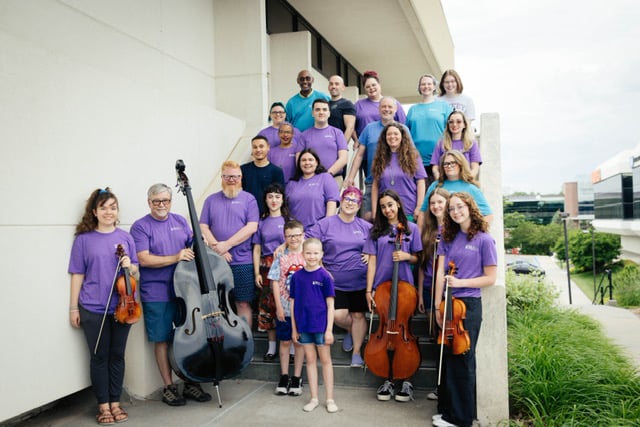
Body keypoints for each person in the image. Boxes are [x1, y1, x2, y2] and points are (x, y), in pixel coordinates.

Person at [130, 183, 213, 407]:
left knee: (189, 336)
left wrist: (200, 241)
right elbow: (143, 259)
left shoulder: (180, 221)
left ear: (170, 201)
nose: (161, 205)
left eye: (165, 200)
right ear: (149, 202)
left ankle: (190, 382)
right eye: (156, 201)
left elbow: (191, 242)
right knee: (162, 339)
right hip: (157, 291)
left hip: (185, 290)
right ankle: (168, 387)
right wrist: (175, 257)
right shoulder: (140, 227)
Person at [68, 188, 139, 425]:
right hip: (92, 308)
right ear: (94, 212)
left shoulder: (126, 237)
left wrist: (130, 265)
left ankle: (116, 402)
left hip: (124, 307)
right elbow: (77, 274)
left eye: (113, 207)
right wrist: (73, 308)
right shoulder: (83, 240)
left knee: (117, 355)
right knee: (99, 357)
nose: (109, 212)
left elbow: (136, 273)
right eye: (104, 207)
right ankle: (103, 405)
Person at [432, 192, 497, 427]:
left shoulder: (484, 239)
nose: (455, 212)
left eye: (459, 207)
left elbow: (490, 278)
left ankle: (461, 419)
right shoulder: (447, 236)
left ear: (470, 207)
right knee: (448, 359)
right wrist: (437, 306)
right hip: (448, 303)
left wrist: (460, 283)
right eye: (451, 209)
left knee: (463, 360)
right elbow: (440, 273)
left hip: (468, 305)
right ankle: (447, 412)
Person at [364, 190, 422, 402]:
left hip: (405, 288)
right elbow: (372, 262)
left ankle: (407, 379)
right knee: (385, 331)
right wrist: (369, 290)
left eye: (390, 204)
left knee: (405, 331)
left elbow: (418, 258)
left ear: (398, 204)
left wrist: (407, 256)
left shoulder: (411, 228)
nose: (387, 209)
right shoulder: (376, 231)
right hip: (382, 288)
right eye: (383, 207)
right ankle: (387, 379)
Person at [307, 187, 372, 367]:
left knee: (358, 315)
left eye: (355, 200)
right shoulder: (326, 224)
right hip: (334, 281)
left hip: (360, 281)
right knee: (337, 315)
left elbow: (379, 244)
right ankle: (352, 330)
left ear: (359, 205)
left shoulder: (366, 227)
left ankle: (357, 353)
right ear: (341, 201)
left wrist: (370, 253)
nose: (350, 203)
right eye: (347, 199)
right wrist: (321, 267)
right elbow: (308, 241)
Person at [200, 160, 259, 328]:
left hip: (242, 262)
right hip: (216, 262)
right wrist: (217, 248)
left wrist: (227, 245)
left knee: (243, 303)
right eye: (228, 177)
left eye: (235, 176)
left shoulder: (249, 200)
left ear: (241, 177)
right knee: (218, 304)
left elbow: (252, 227)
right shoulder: (211, 200)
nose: (232, 180)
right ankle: (222, 340)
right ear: (222, 178)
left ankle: (245, 339)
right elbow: (203, 226)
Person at [290, 238, 338, 413]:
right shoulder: (296, 277)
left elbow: (330, 305)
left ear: (321, 254)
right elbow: (293, 303)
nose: (312, 256)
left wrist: (329, 330)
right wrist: (294, 328)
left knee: (325, 361)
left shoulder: (325, 276)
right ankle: (314, 398)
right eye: (308, 253)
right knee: (310, 361)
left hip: (321, 326)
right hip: (304, 326)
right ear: (302, 253)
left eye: (315, 253)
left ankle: (330, 399)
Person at [345, 97, 409, 220]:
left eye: (390, 107)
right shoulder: (369, 128)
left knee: (397, 220)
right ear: (379, 109)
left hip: (397, 183)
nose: (386, 109)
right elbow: (359, 155)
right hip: (372, 181)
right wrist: (351, 177)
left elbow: (411, 154)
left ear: (396, 109)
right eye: (383, 106)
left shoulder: (403, 129)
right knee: (368, 218)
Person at [417, 187, 450, 403]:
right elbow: (422, 266)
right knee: (435, 336)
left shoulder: (453, 229)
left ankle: (446, 385)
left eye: (440, 202)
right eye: (432, 203)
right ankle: (440, 385)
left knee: (446, 339)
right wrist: (420, 294)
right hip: (429, 288)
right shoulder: (428, 231)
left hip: (449, 289)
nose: (436, 206)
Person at [268, 219, 307, 397]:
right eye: (290, 236)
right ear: (285, 237)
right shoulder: (280, 256)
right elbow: (275, 282)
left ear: (303, 235)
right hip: (284, 305)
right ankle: (284, 376)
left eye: (297, 235)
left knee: (299, 342)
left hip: (302, 308)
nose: (294, 239)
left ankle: (297, 377)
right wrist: (278, 306)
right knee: (284, 341)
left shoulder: (308, 255)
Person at [252, 183, 290, 362]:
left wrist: (285, 245)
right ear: (265, 200)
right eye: (270, 197)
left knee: (287, 305)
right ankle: (272, 348)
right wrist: (256, 273)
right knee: (269, 306)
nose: (274, 200)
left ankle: (291, 349)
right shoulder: (261, 222)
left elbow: (299, 241)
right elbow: (257, 249)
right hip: (266, 267)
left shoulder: (289, 221)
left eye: (277, 197)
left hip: (287, 267)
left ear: (282, 199)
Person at [370, 122, 427, 222]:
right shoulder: (379, 158)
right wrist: (374, 211)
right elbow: (375, 186)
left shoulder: (413, 156)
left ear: (402, 136)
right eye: (389, 134)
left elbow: (421, 182)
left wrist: (419, 207)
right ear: (385, 137)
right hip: (386, 213)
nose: (392, 136)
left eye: (396, 134)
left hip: (408, 211)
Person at [420, 150, 493, 223]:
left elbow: (488, 215)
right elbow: (423, 212)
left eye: (453, 163)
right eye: (446, 164)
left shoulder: (471, 188)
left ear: (461, 164)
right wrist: (419, 230)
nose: (449, 166)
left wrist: (473, 229)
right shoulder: (435, 185)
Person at [406, 74, 452, 184]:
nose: (426, 86)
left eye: (429, 84)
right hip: (416, 160)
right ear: (419, 87)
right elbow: (406, 134)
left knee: (439, 191)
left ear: (434, 86)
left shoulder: (444, 106)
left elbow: (451, 130)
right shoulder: (413, 109)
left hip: (439, 159)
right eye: (423, 84)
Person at [297, 99, 349, 186]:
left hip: (334, 178)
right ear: (312, 113)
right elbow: (298, 160)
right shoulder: (304, 135)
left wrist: (327, 175)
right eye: (317, 110)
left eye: (324, 110)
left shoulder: (337, 133)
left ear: (329, 113)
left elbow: (343, 158)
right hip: (311, 180)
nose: (321, 112)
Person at [286, 148, 340, 229]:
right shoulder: (292, 183)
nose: (307, 163)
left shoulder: (325, 178)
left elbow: (332, 203)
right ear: (299, 163)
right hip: (295, 231)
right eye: (303, 160)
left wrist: (326, 227)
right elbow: (285, 208)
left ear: (316, 162)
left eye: (310, 160)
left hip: (318, 230)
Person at [430, 110, 481, 180]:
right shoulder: (441, 144)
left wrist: (467, 181)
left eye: (458, 122)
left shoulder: (472, 143)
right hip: (446, 182)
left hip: (465, 182)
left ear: (464, 124)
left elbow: (475, 168)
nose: (454, 124)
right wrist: (440, 181)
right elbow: (435, 167)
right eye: (451, 122)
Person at [241, 135, 285, 216]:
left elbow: (279, 197)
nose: (258, 150)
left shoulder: (276, 171)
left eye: (261, 146)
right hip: (247, 214)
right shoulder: (243, 169)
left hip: (268, 215)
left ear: (268, 147)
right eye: (255, 147)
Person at [354, 70, 406, 138]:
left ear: (379, 85)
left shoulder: (393, 103)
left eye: (373, 85)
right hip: (366, 143)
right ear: (364, 89)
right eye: (368, 87)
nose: (371, 88)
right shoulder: (358, 105)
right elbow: (351, 127)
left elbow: (403, 125)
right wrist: (356, 140)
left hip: (390, 142)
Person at [328, 75, 357, 149]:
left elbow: (350, 128)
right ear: (328, 87)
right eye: (331, 84)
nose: (333, 86)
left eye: (337, 84)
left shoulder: (347, 104)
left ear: (343, 87)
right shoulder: (325, 105)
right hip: (325, 145)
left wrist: (341, 147)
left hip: (338, 147)